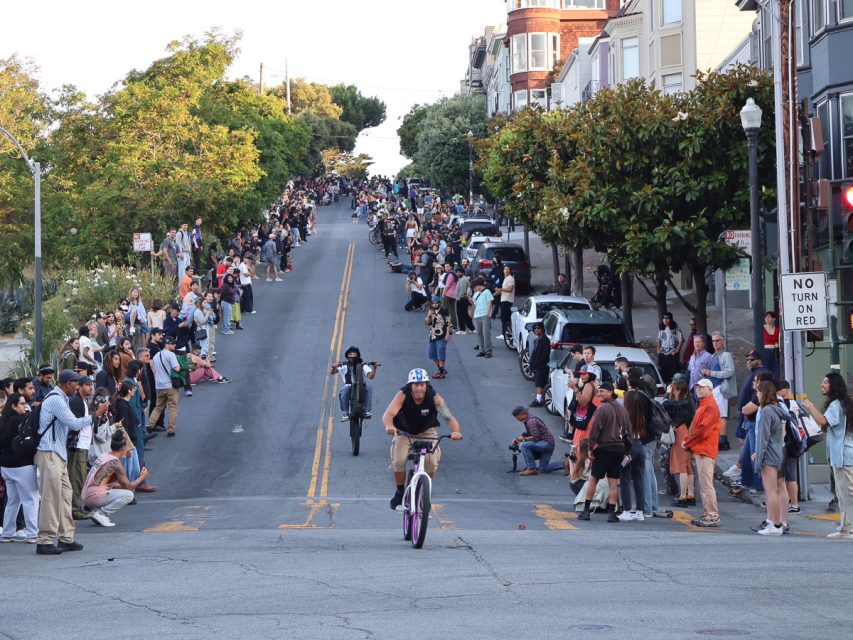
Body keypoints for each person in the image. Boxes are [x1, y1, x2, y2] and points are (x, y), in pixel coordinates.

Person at [35, 370, 110, 555]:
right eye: (75, 384)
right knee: (51, 498)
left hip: (58, 454)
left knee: (65, 496)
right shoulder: (55, 399)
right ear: (67, 383)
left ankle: (66, 538)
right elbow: (74, 424)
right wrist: (96, 415)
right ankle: (44, 541)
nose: (77, 387)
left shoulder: (63, 399)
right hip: (49, 453)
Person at [382, 368, 462, 510]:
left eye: (422, 385)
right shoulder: (402, 395)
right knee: (399, 460)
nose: (419, 388)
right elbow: (388, 414)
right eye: (416, 385)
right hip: (405, 432)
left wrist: (456, 431)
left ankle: (424, 492)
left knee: (431, 462)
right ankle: (400, 492)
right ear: (410, 385)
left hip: (427, 432)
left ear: (426, 385)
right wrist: (389, 426)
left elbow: (449, 417)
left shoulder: (434, 398)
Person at [802, 372, 853, 539]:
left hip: (844, 456)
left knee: (847, 494)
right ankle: (845, 528)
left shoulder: (836, 405)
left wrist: (810, 406)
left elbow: (824, 421)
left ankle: (848, 529)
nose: (822, 385)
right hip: (843, 456)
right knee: (843, 494)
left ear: (834, 385)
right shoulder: (843, 404)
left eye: (825, 382)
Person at [578, 382, 629, 522]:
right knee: (613, 482)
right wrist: (627, 450)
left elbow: (595, 431)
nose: (599, 394)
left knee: (594, 479)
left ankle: (586, 511)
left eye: (602, 391)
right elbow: (627, 432)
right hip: (619, 449)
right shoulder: (622, 409)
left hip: (604, 448)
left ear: (610, 392)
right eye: (598, 391)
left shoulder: (602, 409)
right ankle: (612, 514)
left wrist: (590, 448)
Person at [83, 430, 148, 527]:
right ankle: (101, 514)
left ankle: (96, 512)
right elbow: (129, 487)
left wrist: (115, 485)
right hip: (93, 497)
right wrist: (142, 477)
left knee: (117, 487)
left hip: (86, 494)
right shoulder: (116, 464)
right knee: (129, 495)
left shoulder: (104, 455)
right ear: (123, 448)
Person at [682, 378, 721, 528]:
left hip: (705, 450)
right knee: (704, 485)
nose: (698, 389)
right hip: (702, 449)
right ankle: (709, 514)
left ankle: (712, 515)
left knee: (706, 485)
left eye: (702, 387)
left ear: (710, 390)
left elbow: (702, 431)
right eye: (697, 387)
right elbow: (696, 429)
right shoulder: (705, 405)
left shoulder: (710, 407)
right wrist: (688, 440)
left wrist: (687, 442)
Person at [0, 393, 38, 543]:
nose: (25, 406)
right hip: (22, 464)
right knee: (30, 499)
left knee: (13, 500)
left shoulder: (3, 421)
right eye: (21, 404)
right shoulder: (21, 421)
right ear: (14, 406)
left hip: (6, 466)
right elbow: (29, 441)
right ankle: (33, 533)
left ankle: (8, 532)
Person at [752, 380, 787, 536]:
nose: (757, 395)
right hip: (778, 451)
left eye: (758, 392)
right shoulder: (777, 409)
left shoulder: (766, 411)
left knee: (770, 491)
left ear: (763, 393)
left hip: (769, 455)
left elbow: (763, 439)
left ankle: (775, 524)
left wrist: (758, 460)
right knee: (776, 489)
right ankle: (775, 523)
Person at [664, 377, 696, 507]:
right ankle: (690, 494)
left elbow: (665, 406)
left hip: (680, 432)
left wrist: (667, 393)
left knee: (682, 465)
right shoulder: (689, 401)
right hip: (687, 431)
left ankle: (683, 496)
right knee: (688, 465)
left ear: (677, 389)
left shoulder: (679, 403)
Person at [702, 332, 737, 451]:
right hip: (714, 387)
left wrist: (711, 373)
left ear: (723, 342)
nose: (715, 343)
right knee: (716, 415)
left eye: (717, 340)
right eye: (713, 341)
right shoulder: (714, 355)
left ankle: (723, 440)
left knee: (721, 415)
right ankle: (718, 439)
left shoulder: (725, 355)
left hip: (720, 388)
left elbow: (729, 372)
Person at [67, 376, 96, 520]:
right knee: (76, 478)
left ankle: (78, 506)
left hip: (82, 445)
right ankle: (75, 509)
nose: (90, 387)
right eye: (87, 385)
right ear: (79, 386)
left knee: (80, 477)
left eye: (91, 385)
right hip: (77, 446)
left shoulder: (83, 401)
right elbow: (74, 424)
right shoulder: (76, 401)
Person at [511, 406, 565, 476]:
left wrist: (523, 439)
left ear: (521, 414)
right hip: (549, 444)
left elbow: (536, 437)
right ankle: (565, 464)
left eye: (516, 417)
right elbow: (532, 434)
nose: (516, 419)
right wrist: (519, 438)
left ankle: (531, 468)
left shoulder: (531, 421)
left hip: (546, 444)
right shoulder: (529, 419)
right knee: (543, 469)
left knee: (523, 445)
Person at [330, 346, 377, 421]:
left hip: (361, 386)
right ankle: (345, 413)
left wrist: (374, 368)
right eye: (350, 356)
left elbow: (370, 376)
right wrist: (333, 367)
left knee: (369, 388)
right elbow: (332, 372)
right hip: (349, 386)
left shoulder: (363, 365)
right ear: (347, 357)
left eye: (354, 357)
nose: (352, 358)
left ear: (357, 356)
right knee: (343, 391)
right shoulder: (344, 365)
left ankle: (367, 411)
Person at [147, 336, 181, 437]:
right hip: (170, 385)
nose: (174, 345)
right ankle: (171, 429)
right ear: (167, 344)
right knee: (172, 407)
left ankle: (149, 425)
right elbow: (177, 368)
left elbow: (153, 369)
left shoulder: (157, 355)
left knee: (158, 407)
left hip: (159, 386)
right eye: (172, 343)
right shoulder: (171, 355)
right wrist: (180, 366)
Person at [426, 296, 451, 379]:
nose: (434, 304)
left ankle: (441, 372)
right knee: (432, 354)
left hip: (442, 335)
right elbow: (427, 323)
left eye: (436, 303)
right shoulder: (431, 312)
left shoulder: (444, 312)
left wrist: (448, 334)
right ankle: (441, 369)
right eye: (433, 303)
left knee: (441, 352)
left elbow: (448, 324)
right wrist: (429, 316)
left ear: (439, 303)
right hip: (433, 335)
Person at [656, 313, 683, 383]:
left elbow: (681, 340)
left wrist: (676, 351)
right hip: (662, 354)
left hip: (671, 354)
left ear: (670, 319)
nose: (665, 320)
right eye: (664, 318)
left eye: (667, 318)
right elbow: (658, 340)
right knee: (663, 372)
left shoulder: (675, 329)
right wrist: (658, 350)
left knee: (672, 372)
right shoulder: (661, 329)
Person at [528, 323, 550, 408]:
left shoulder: (545, 340)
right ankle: (541, 399)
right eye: (535, 328)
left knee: (539, 383)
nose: (536, 330)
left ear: (542, 329)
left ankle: (538, 400)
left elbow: (545, 355)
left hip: (542, 366)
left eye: (538, 328)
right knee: (539, 382)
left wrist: (538, 363)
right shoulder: (537, 339)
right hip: (536, 365)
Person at [471, 277, 493, 358]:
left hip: (485, 315)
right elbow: (475, 304)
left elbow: (490, 302)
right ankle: (482, 350)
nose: (474, 289)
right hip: (477, 315)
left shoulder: (487, 292)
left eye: (474, 288)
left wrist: (488, 314)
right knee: (479, 333)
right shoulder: (476, 293)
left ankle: (488, 351)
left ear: (478, 285)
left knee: (486, 333)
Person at [454, 267, 475, 334]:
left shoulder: (463, 279)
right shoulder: (461, 279)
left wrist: (458, 298)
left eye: (459, 272)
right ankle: (472, 329)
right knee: (465, 315)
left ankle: (462, 330)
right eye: (457, 272)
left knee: (460, 315)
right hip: (463, 299)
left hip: (462, 299)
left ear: (462, 273)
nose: (458, 273)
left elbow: (462, 291)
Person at [498, 265, 515, 339]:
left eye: (508, 269)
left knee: (504, 318)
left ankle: (504, 334)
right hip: (504, 299)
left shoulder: (510, 279)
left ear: (510, 271)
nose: (506, 270)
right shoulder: (506, 278)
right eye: (505, 269)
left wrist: (501, 289)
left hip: (507, 300)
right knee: (505, 318)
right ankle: (506, 333)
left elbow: (510, 289)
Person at [762, 311, 780, 378]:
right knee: (765, 371)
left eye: (769, 317)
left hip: (774, 352)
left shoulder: (778, 330)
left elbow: (780, 341)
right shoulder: (762, 329)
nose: (767, 318)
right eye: (766, 317)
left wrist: (777, 344)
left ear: (773, 319)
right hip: (765, 352)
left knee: (775, 371)